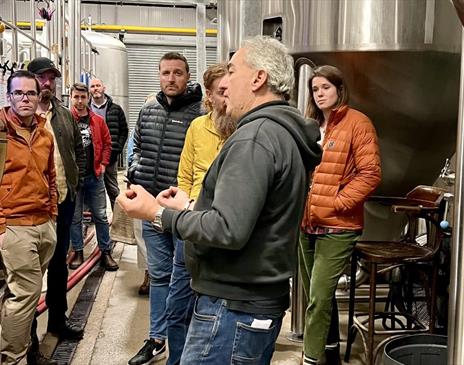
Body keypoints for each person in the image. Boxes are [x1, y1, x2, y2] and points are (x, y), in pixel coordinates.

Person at [118, 35, 322, 365]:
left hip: (233, 309)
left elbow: (228, 229)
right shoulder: (280, 132)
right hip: (252, 301)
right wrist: (186, 207)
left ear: (259, 79)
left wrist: (156, 213)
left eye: (231, 71)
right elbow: (251, 216)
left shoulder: (255, 137)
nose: (223, 84)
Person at [299, 65, 381, 365]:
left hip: (338, 226)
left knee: (319, 299)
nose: (319, 94)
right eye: (315, 89)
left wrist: (337, 202)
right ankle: (330, 354)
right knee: (317, 297)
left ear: (339, 89)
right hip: (306, 224)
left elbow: (370, 174)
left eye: (325, 88)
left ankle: (309, 360)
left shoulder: (358, 123)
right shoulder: (308, 125)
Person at [126, 52, 203, 365]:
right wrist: (135, 170)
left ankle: (183, 347)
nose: (171, 79)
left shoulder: (200, 114)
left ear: (187, 76)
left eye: (177, 73)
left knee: (183, 280)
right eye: (165, 73)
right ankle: (156, 339)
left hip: (181, 211)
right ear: (158, 75)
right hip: (150, 207)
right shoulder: (148, 110)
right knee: (158, 276)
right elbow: (137, 146)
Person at [166, 62, 234, 365]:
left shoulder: (244, 130)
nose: (227, 99)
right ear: (209, 95)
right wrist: (185, 206)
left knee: (215, 307)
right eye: (222, 92)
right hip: (192, 225)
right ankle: (177, 360)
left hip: (225, 229)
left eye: (231, 91)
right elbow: (184, 176)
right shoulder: (197, 127)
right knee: (177, 304)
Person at [26, 57, 86, 364]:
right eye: (42, 77)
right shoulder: (16, 117)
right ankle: (29, 342)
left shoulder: (64, 115)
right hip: (30, 210)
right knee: (29, 276)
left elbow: (77, 150)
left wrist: (76, 182)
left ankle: (58, 322)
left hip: (62, 202)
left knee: (59, 267)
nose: (47, 83)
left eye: (52, 78)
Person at [0, 70, 57, 365]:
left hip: (44, 224)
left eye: (30, 93)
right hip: (14, 225)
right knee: (26, 294)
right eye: (18, 93)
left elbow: (50, 175)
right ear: (9, 96)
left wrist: (53, 215)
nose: (25, 98)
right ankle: (12, 358)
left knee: (15, 293)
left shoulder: (44, 133)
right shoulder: (0, 132)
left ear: (38, 96)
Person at [68, 82, 118, 271]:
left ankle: (105, 251)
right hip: (74, 180)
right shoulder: (66, 120)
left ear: (88, 98)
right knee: (75, 217)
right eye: (76, 97)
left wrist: (104, 164)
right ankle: (78, 251)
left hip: (94, 176)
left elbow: (107, 143)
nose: (80, 101)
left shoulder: (97, 121)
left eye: (83, 97)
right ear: (71, 98)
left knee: (101, 216)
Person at [89, 78, 128, 210]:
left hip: (110, 157)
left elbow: (124, 130)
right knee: (91, 190)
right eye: (93, 86)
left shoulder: (116, 109)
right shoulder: (86, 109)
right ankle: (93, 220)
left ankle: (117, 218)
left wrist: (117, 149)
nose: (95, 88)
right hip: (90, 158)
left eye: (98, 85)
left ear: (103, 88)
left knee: (112, 189)